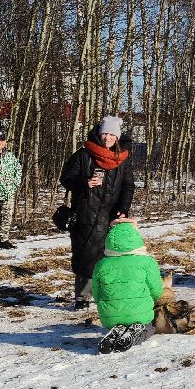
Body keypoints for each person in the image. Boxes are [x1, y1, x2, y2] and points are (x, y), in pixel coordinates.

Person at [60, 116, 135, 309]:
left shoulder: (123, 159)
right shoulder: (84, 155)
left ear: (117, 137)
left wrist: (123, 210)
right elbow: (66, 178)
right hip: (86, 213)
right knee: (86, 255)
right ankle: (82, 298)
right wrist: (84, 182)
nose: (107, 138)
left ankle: (106, 294)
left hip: (112, 215)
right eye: (105, 133)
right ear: (99, 134)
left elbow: (128, 186)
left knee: (111, 257)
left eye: (112, 134)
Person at [90, 218, 164, 354]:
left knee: (118, 319)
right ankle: (136, 334)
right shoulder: (147, 262)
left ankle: (117, 329)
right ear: (136, 238)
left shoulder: (101, 264)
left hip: (110, 314)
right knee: (150, 326)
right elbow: (156, 291)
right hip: (140, 313)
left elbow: (96, 293)